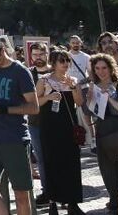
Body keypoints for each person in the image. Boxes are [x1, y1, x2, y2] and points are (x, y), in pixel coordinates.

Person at [0, 34, 39, 215]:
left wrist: (1, 109)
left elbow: (34, 107)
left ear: (2, 50)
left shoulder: (20, 71)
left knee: (20, 193)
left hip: (14, 138)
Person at [36, 48, 85, 214]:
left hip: (68, 127)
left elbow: (79, 102)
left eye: (67, 61)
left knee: (71, 162)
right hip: (50, 127)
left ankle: (72, 201)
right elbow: (35, 103)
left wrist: (73, 88)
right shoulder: (44, 81)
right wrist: (48, 97)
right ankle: (52, 201)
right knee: (51, 163)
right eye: (61, 61)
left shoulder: (73, 80)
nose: (65, 64)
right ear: (53, 63)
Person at [88, 53, 118, 213]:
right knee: (108, 171)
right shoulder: (93, 87)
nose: (101, 71)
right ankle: (115, 203)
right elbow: (90, 112)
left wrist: (110, 99)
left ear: (110, 68)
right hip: (103, 132)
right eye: (97, 68)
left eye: (104, 67)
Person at [27, 42, 51, 200]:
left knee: (57, 157)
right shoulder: (27, 74)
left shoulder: (55, 71)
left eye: (41, 54)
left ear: (47, 54)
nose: (38, 58)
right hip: (35, 123)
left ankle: (61, 190)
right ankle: (47, 191)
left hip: (56, 121)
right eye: (35, 55)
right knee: (41, 159)